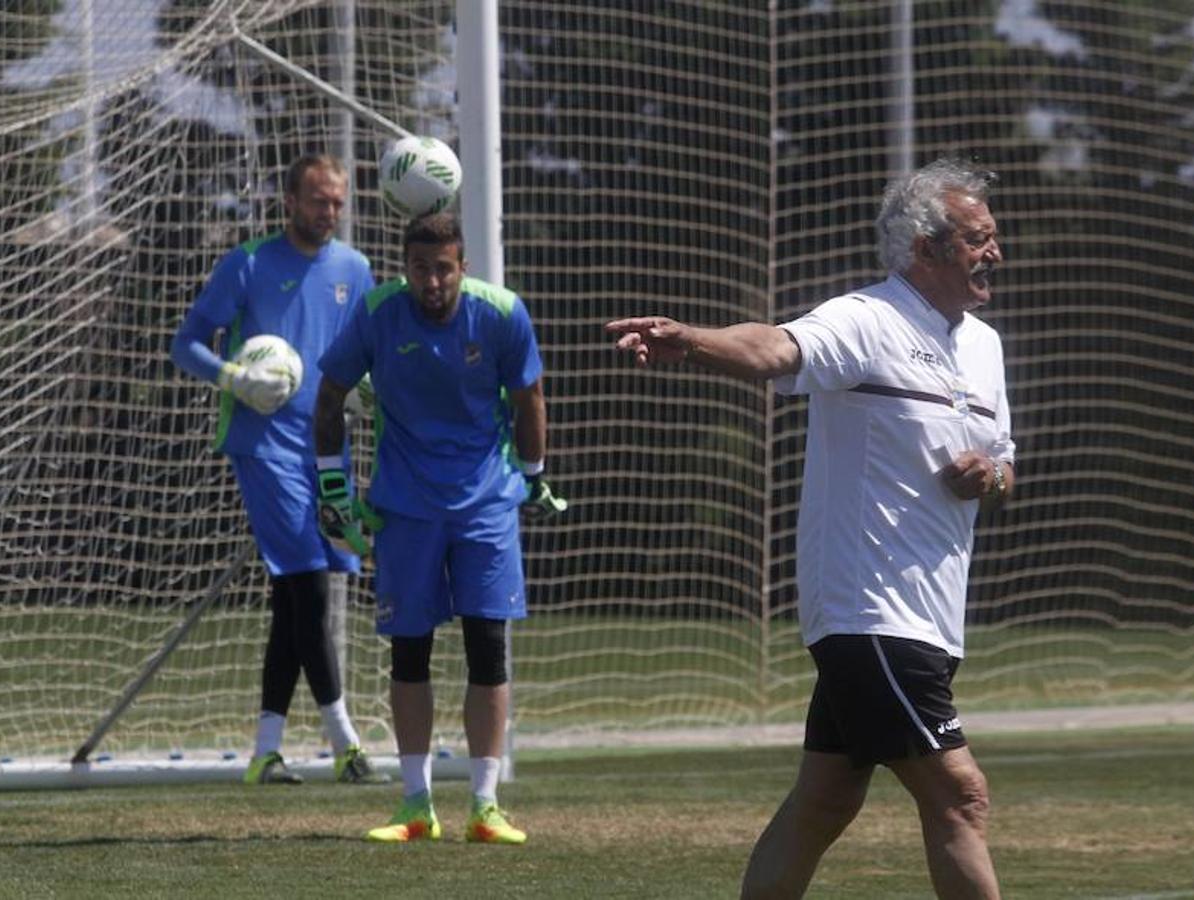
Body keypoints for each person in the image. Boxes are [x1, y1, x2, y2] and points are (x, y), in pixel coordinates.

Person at [607, 158, 1011, 899]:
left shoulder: (983, 346)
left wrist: (989, 476)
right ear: (926, 249)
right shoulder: (868, 318)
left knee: (825, 800)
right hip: (867, 612)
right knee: (960, 796)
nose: (995, 252)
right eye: (978, 239)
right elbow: (772, 349)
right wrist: (688, 339)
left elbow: (1002, 464)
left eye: (993, 236)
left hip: (931, 620)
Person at [312, 212, 566, 844]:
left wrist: (533, 474)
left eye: (443, 269)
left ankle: (485, 804)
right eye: (421, 269)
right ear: (406, 267)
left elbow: (529, 396)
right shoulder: (377, 312)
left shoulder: (502, 313)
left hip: (485, 505)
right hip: (405, 508)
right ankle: (415, 804)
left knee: (488, 647)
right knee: (410, 652)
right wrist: (332, 482)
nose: (432, 282)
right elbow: (329, 393)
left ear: (463, 267)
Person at [171, 154, 389, 787]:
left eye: (338, 201)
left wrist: (366, 390)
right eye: (318, 199)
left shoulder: (355, 269)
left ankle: (266, 751)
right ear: (290, 199)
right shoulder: (247, 263)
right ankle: (347, 745)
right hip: (262, 444)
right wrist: (233, 377)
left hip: (328, 449)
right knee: (311, 586)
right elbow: (185, 344)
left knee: (294, 601)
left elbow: (357, 359)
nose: (330, 211)